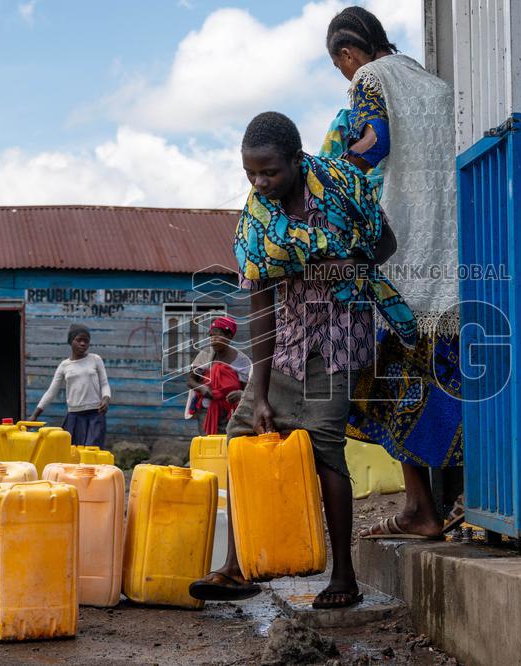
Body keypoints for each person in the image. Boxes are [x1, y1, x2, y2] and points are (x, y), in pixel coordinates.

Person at [188, 111, 404, 610]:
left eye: (271, 172)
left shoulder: (341, 187)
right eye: (251, 175)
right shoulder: (257, 222)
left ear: (295, 158)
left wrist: (349, 263)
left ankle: (343, 576)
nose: (261, 183)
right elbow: (259, 304)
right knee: (241, 436)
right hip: (286, 343)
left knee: (326, 448)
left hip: (338, 339)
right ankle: (238, 565)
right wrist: (257, 392)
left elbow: (385, 243)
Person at [324, 7, 466, 539]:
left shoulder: (369, 78)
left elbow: (374, 142)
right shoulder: (436, 86)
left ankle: (420, 508)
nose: (345, 77)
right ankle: (468, 504)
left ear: (347, 54)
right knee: (455, 389)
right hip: (455, 261)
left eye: (340, 67)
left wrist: (330, 176)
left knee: (386, 388)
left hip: (403, 263)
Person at [30, 323, 111, 447]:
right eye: (79, 340)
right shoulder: (64, 366)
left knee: (91, 451)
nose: (83, 344)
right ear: (70, 341)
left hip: (95, 415)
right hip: (74, 416)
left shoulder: (95, 359)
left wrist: (106, 398)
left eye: (86, 341)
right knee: (74, 453)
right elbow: (51, 392)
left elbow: (104, 384)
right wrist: (35, 415)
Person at [185, 315, 251, 436]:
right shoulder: (205, 354)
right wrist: (202, 388)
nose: (213, 339)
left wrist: (240, 394)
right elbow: (190, 380)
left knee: (228, 445)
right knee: (208, 444)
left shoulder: (242, 361)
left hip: (231, 413)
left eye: (217, 335)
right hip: (206, 411)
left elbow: (249, 390)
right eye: (211, 335)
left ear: (229, 336)